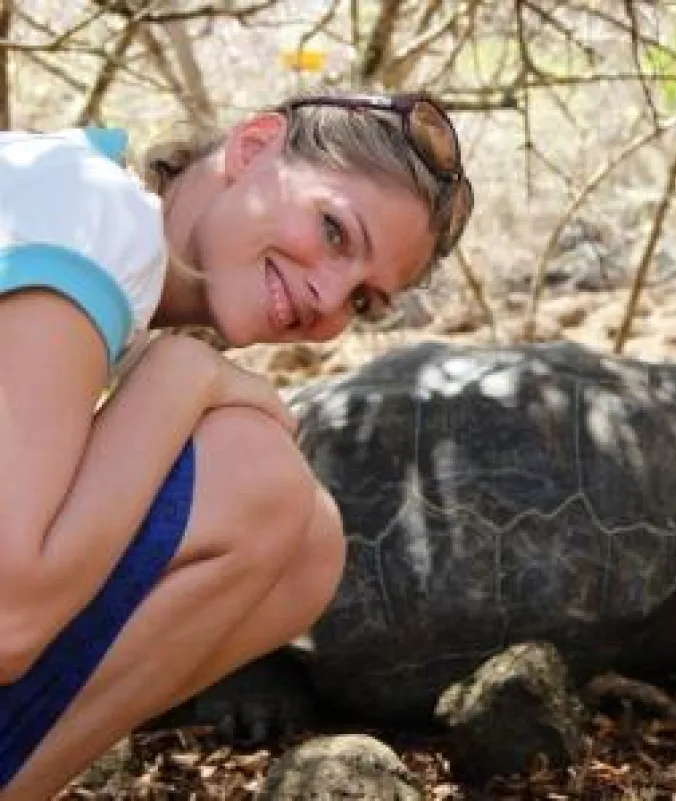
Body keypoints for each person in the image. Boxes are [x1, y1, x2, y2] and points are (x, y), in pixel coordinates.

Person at [0, 91, 474, 800]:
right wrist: (179, 373)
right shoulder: (93, 212)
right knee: (254, 473)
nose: (328, 301)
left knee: (307, 547)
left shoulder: (95, 230)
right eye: (335, 231)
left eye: (362, 301)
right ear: (253, 148)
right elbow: (7, 620)